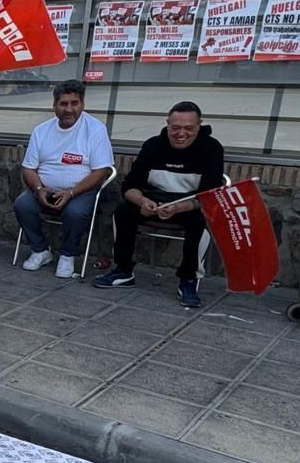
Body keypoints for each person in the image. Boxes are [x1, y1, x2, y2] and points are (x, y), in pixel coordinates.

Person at [94, 101, 226, 308]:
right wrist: (142, 201)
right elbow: (129, 186)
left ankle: (188, 278)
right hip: (152, 201)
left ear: (199, 126)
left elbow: (210, 194)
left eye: (188, 128)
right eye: (175, 128)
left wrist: (179, 207)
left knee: (200, 220)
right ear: (167, 124)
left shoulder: (212, 149)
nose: (181, 133)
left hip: (188, 205)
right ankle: (123, 270)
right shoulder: (153, 145)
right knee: (123, 210)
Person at [15, 80, 115, 278]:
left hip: (81, 191)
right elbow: (28, 168)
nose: (69, 109)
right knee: (22, 205)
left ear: (82, 104)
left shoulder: (95, 129)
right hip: (44, 189)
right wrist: (38, 189)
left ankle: (68, 254)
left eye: (74, 103)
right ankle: (40, 250)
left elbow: (102, 171)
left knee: (75, 213)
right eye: (63, 104)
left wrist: (71, 193)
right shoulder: (41, 131)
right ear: (54, 105)